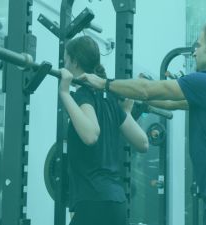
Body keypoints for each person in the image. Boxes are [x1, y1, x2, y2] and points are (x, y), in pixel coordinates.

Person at [77, 21, 206, 225]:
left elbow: (148, 89)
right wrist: (127, 93)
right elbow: (168, 102)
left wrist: (104, 84)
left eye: (198, 45)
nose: (194, 52)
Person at [59, 35, 149, 225]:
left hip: (93, 202)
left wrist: (65, 93)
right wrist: (126, 112)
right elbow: (143, 142)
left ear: (74, 62)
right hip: (117, 204)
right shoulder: (110, 102)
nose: (64, 64)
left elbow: (91, 135)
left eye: (66, 59)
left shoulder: (83, 95)